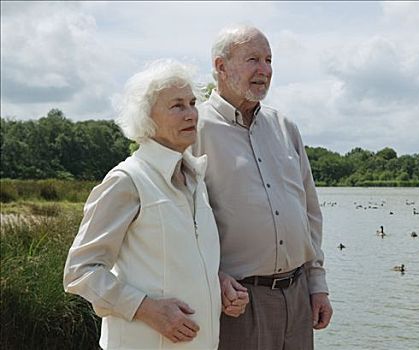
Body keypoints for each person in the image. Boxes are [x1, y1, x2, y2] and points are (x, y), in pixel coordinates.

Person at [63, 59, 234, 349]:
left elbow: (177, 260)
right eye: (177, 105)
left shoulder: (195, 178)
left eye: (193, 103)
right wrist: (147, 309)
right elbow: (80, 271)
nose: (191, 113)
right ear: (147, 118)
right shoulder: (127, 180)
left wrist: (218, 283)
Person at [192, 25, 333, 350]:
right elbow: (181, 221)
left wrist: (317, 284)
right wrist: (214, 279)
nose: (265, 70)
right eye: (253, 59)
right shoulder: (193, 129)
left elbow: (310, 211)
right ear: (220, 67)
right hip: (236, 302)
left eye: (269, 60)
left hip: (298, 298)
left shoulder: (285, 127)